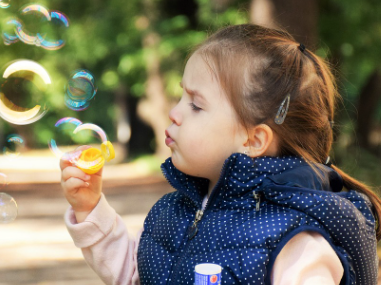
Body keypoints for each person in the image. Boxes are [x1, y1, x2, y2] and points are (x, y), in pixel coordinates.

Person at [60, 24, 380, 285]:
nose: (174, 113)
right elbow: (137, 275)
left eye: (196, 105)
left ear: (254, 140)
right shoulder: (176, 212)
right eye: (180, 96)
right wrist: (91, 210)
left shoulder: (296, 242)